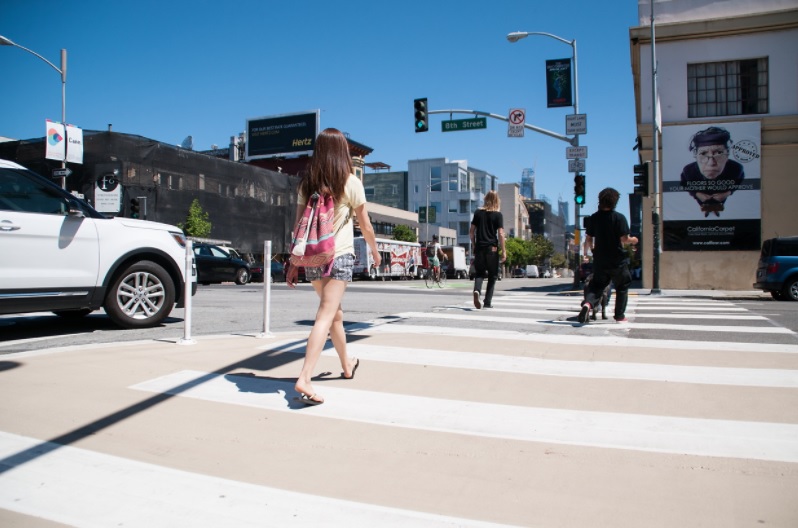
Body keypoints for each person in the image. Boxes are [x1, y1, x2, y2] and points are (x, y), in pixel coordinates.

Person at [286, 128, 381, 406]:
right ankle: (305, 377)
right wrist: (375, 251)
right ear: (343, 152)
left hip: (314, 258)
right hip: (338, 255)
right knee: (325, 315)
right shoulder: (350, 181)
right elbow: (365, 224)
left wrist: (293, 262)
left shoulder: (307, 183)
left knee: (335, 314)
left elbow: (298, 228)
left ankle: (347, 364)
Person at [580, 187, 638, 324]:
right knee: (622, 285)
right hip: (617, 259)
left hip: (600, 259)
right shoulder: (619, 218)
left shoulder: (593, 218)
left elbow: (588, 239)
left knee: (597, 285)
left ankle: (587, 304)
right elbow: (624, 239)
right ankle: (619, 316)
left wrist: (591, 251)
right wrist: (634, 240)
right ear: (615, 202)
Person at [680, 126, 745, 217]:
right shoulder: (689, 171)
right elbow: (684, 183)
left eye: (718, 153)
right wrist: (697, 194)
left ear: (727, 153)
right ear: (695, 154)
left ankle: (714, 209)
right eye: (703, 153)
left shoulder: (736, 169)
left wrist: (727, 193)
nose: (711, 163)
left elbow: (739, 181)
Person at [469, 190, 506, 309]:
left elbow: (471, 231)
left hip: (479, 247)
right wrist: (504, 250)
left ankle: (477, 291)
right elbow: (500, 233)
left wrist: (474, 245)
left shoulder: (478, 213)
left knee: (479, 273)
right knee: (493, 275)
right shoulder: (498, 215)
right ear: (497, 201)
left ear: (485, 199)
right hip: (492, 248)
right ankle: (487, 302)